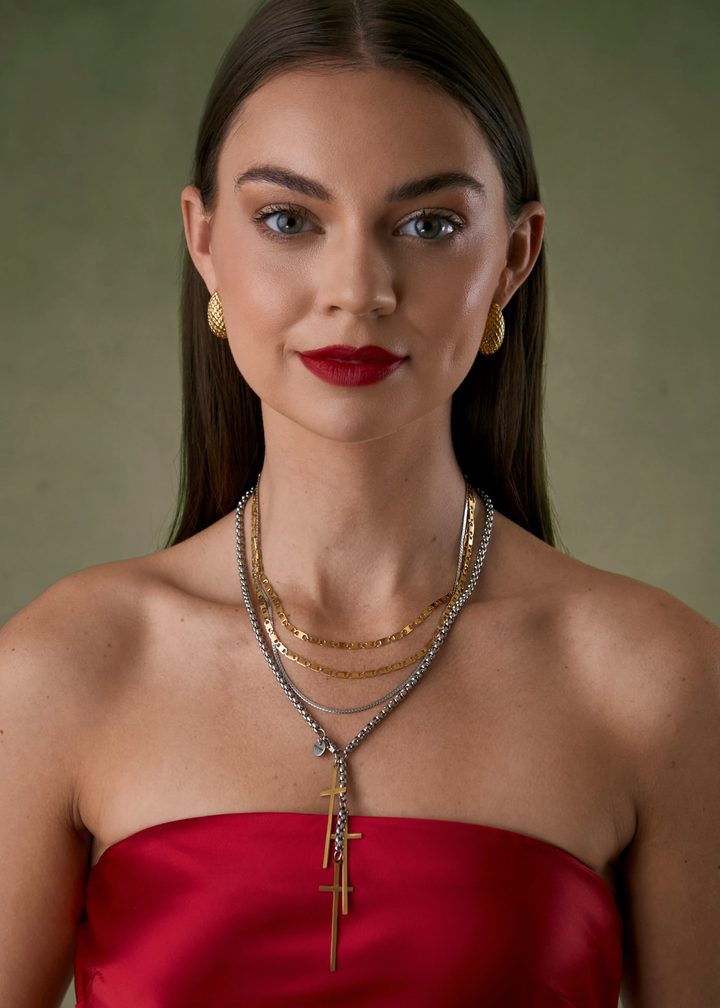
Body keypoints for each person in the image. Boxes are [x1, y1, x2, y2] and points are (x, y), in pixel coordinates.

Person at [1, 0, 718, 1004]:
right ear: (204, 240)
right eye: (290, 220)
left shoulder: (659, 681)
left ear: (514, 256)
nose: (358, 288)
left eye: (428, 224)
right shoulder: (58, 671)